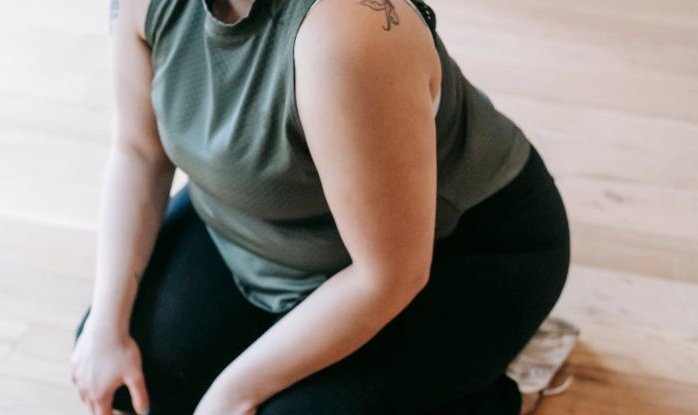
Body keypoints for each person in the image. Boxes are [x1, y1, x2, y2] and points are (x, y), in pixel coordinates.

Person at [69, 0, 571, 414]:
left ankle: (495, 388)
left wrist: (230, 395)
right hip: (264, 230)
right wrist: (106, 325)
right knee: (133, 375)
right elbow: (139, 150)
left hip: (455, 254)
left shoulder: (349, 34)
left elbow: (388, 275)